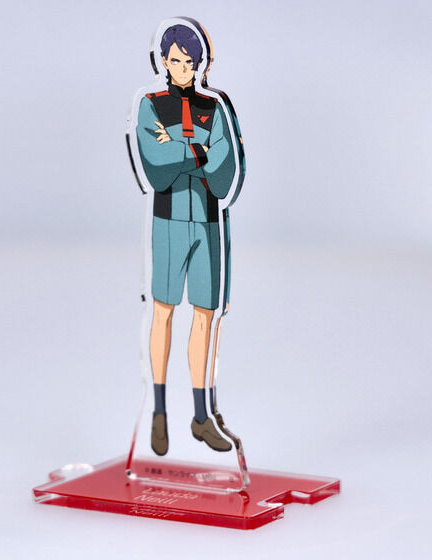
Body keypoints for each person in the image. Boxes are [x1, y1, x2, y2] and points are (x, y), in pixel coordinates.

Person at [135, 23, 240, 455]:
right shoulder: (151, 105)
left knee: (205, 316)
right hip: (168, 221)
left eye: (189, 62)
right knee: (162, 311)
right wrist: (198, 152)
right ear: (163, 61)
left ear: (200, 65)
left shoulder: (214, 107)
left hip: (208, 223)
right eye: (175, 60)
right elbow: (156, 164)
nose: (182, 68)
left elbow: (224, 170)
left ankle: (201, 416)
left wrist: (179, 150)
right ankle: (159, 412)